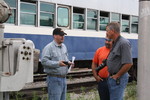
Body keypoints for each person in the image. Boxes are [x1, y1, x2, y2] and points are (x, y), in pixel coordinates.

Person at [41, 28, 73, 100]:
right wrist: (57, 64)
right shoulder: (49, 47)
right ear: (55, 36)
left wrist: (68, 63)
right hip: (54, 79)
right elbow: (44, 61)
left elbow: (65, 59)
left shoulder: (64, 47)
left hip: (63, 78)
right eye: (61, 35)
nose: (63, 37)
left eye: (63, 35)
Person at [106, 22, 133, 100]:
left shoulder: (123, 43)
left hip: (118, 79)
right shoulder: (115, 42)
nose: (106, 33)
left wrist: (117, 75)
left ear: (113, 31)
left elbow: (128, 63)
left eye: (107, 31)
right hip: (113, 78)